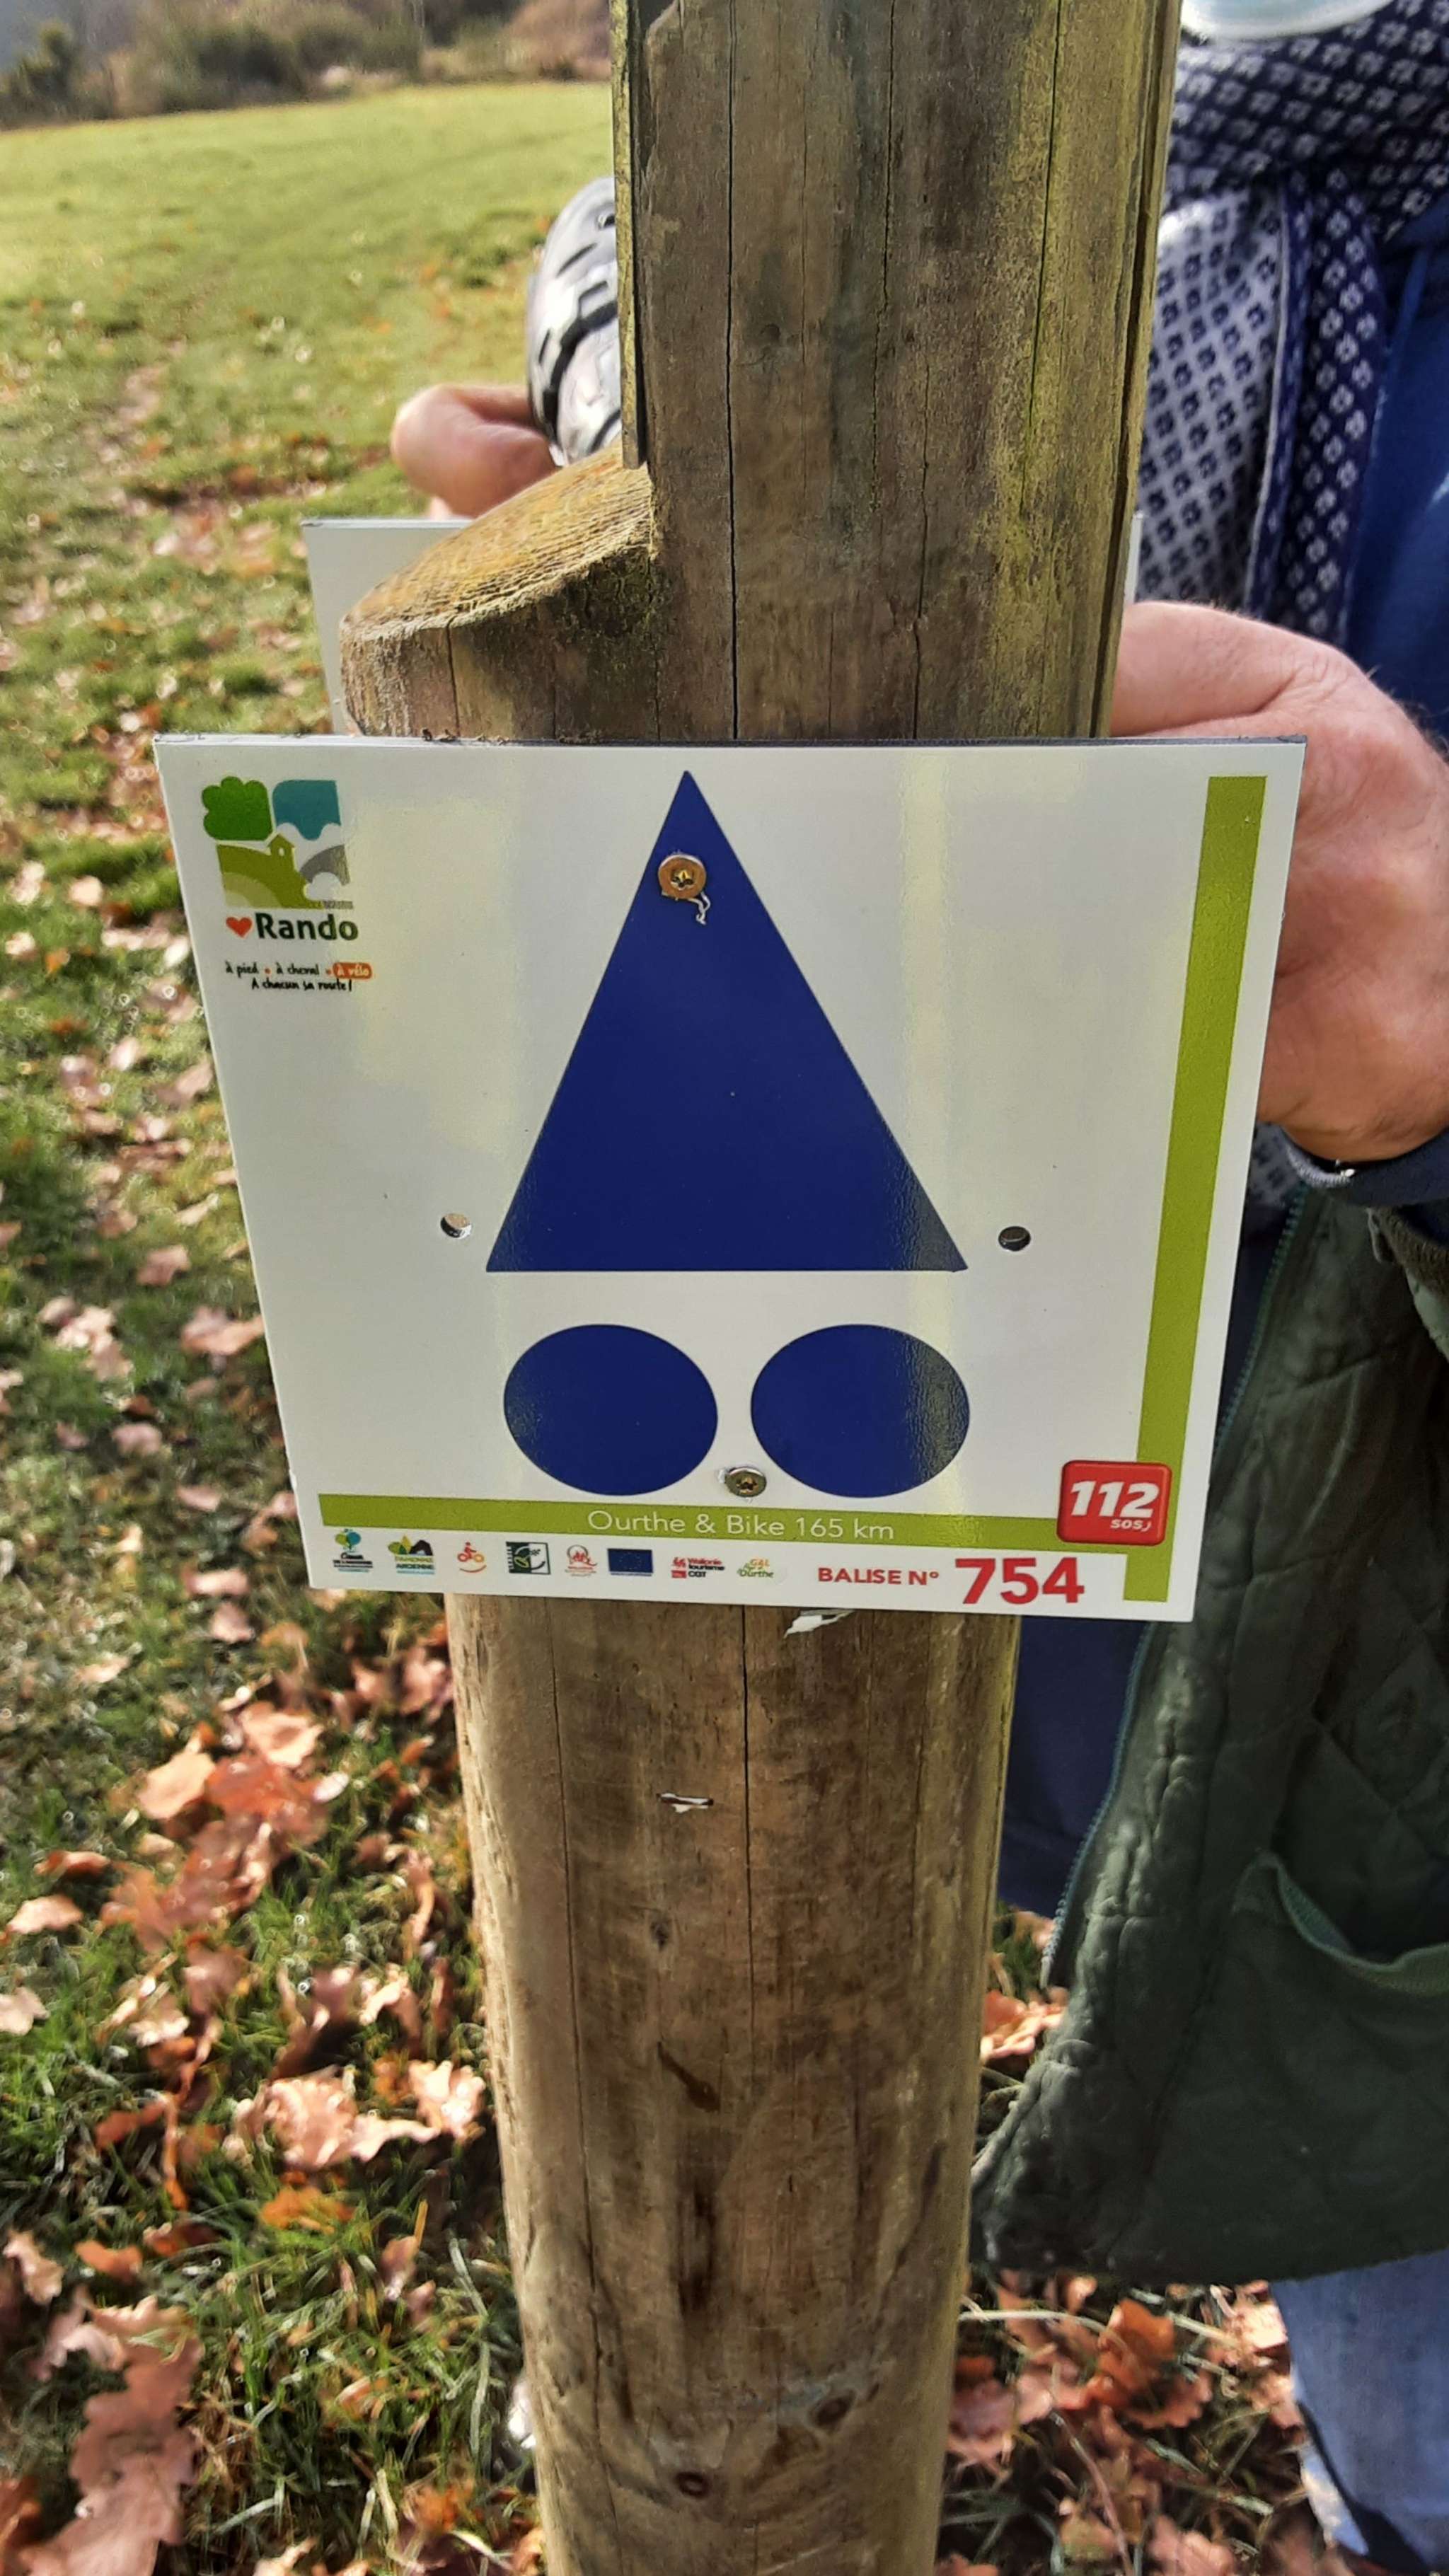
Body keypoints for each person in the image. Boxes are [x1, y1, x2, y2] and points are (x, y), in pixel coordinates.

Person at [391, 5, 1449, 2565]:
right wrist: (636, 662)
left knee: (1423, 2325)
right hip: (1032, 1611)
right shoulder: (869, 170)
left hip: (1403, 1715)